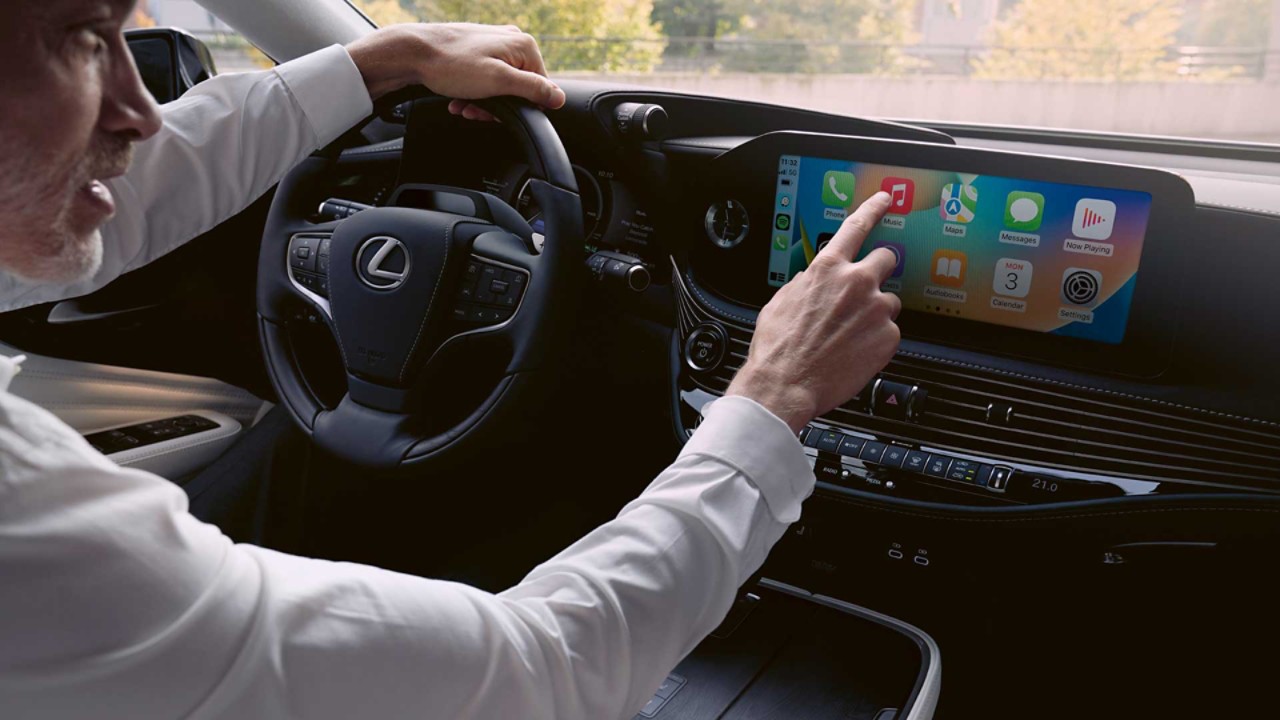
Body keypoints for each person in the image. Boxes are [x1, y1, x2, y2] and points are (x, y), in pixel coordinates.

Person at [0, 1, 902, 718]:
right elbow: (537, 677)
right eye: (85, 42)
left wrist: (385, 60)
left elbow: (106, 182)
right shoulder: (27, 522)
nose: (141, 112)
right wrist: (770, 403)